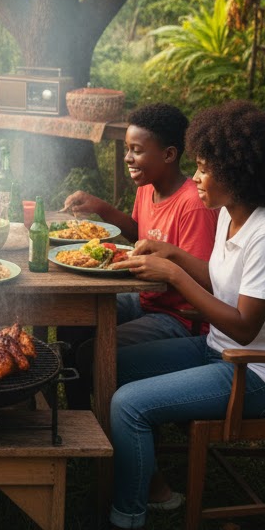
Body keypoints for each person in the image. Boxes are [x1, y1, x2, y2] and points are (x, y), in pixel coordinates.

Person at [73, 102, 265, 530]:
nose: (195, 178)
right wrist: (174, 255)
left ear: (239, 174)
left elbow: (243, 324)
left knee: (129, 403)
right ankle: (151, 485)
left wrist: (175, 277)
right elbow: (220, 280)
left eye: (204, 169)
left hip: (258, 373)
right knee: (103, 364)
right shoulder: (229, 214)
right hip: (222, 350)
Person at [60, 103, 218, 408]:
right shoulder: (148, 187)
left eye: (136, 150)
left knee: (90, 351)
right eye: (127, 149)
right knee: (72, 318)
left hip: (179, 318)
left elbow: (208, 278)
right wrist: (101, 207)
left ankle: (92, 421)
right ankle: (76, 416)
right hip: (145, 299)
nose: (128, 158)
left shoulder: (192, 204)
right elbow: (139, 234)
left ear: (169, 155)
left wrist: (169, 262)